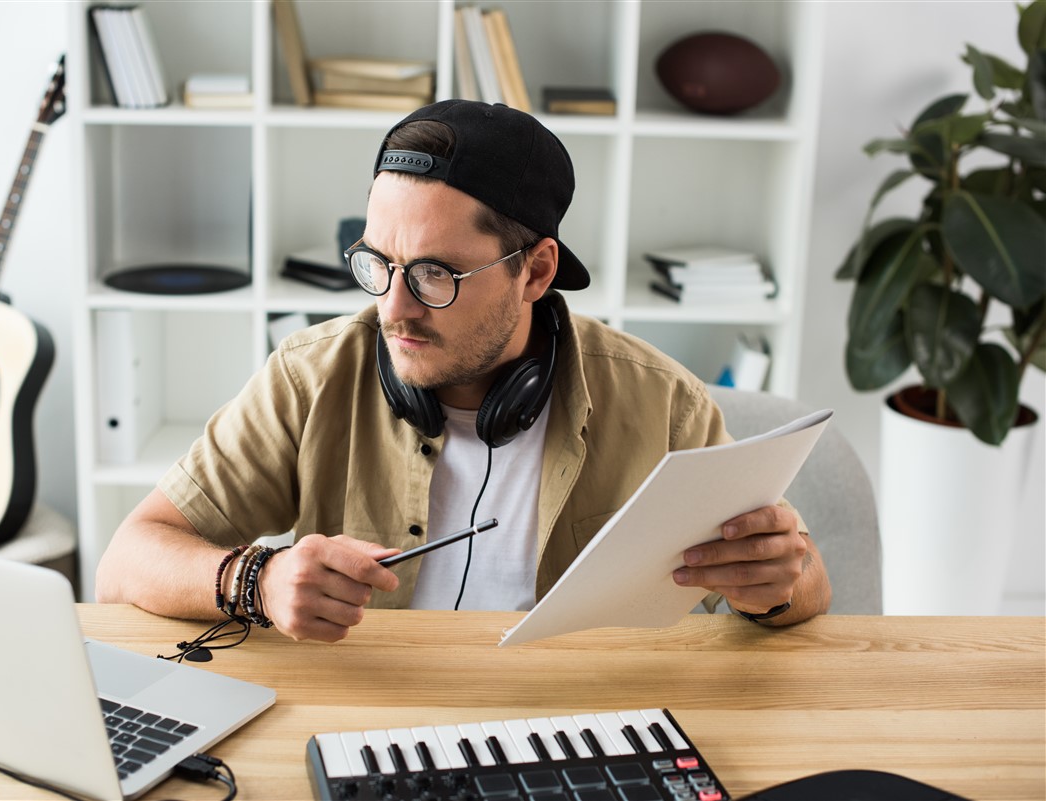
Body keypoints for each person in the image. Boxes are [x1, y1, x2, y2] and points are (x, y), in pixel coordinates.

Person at [96, 100, 832, 642]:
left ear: (535, 270)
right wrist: (257, 579)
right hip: (368, 720)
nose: (394, 308)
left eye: (435, 274)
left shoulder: (664, 402)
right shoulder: (309, 376)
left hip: (577, 724)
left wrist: (775, 580)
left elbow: (803, 590)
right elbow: (125, 561)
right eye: (377, 265)